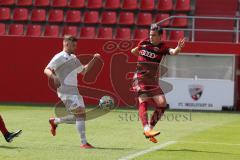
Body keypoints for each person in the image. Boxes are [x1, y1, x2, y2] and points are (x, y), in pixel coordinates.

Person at [44, 35, 101, 149]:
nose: (75, 47)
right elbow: (46, 69)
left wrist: (94, 59)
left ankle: (55, 121)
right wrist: (54, 77)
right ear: (66, 44)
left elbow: (83, 71)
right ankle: (84, 143)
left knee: (80, 116)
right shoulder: (59, 57)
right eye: (73, 45)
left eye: (76, 45)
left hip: (75, 91)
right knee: (79, 115)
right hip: (65, 91)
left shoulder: (74, 57)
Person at [131, 25, 185, 143]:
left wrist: (178, 48)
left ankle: (149, 129)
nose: (151, 37)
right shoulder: (144, 42)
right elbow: (134, 51)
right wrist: (142, 61)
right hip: (139, 77)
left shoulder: (162, 47)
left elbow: (173, 52)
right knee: (143, 99)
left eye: (154, 35)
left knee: (162, 104)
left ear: (160, 36)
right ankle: (146, 129)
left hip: (151, 80)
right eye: (150, 34)